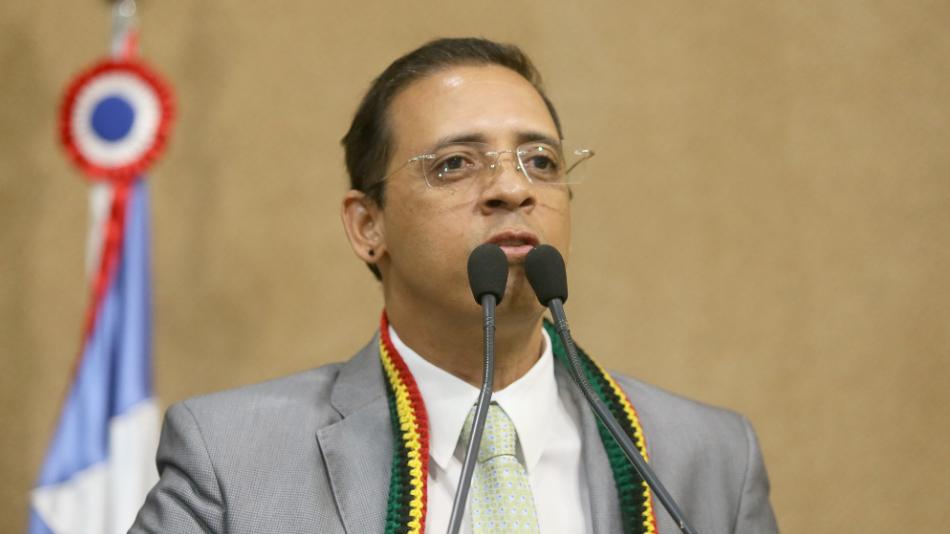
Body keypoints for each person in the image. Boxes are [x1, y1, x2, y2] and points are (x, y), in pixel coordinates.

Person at [130, 37, 778, 534]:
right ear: (367, 225)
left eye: (541, 161)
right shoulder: (233, 459)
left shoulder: (709, 458)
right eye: (455, 164)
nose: (513, 188)